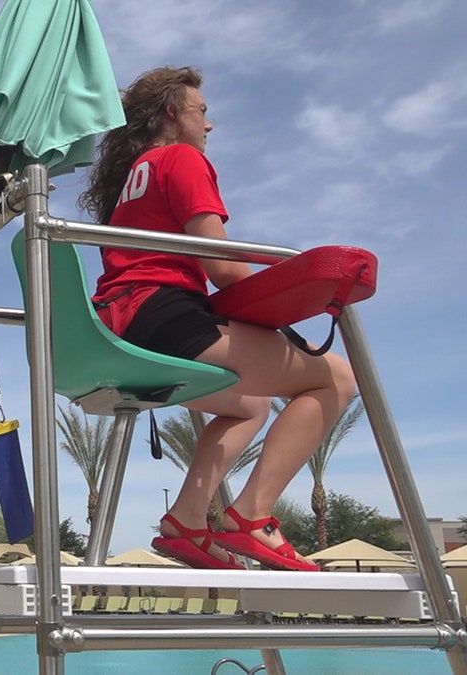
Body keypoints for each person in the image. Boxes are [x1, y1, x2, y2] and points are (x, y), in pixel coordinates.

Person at [77, 66, 357, 571]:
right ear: (171, 112)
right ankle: (252, 515)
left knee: (248, 405)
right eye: (201, 112)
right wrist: (291, 291)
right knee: (336, 377)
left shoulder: (129, 183)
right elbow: (224, 267)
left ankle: (185, 522)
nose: (209, 125)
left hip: (121, 324)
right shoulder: (180, 158)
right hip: (164, 314)